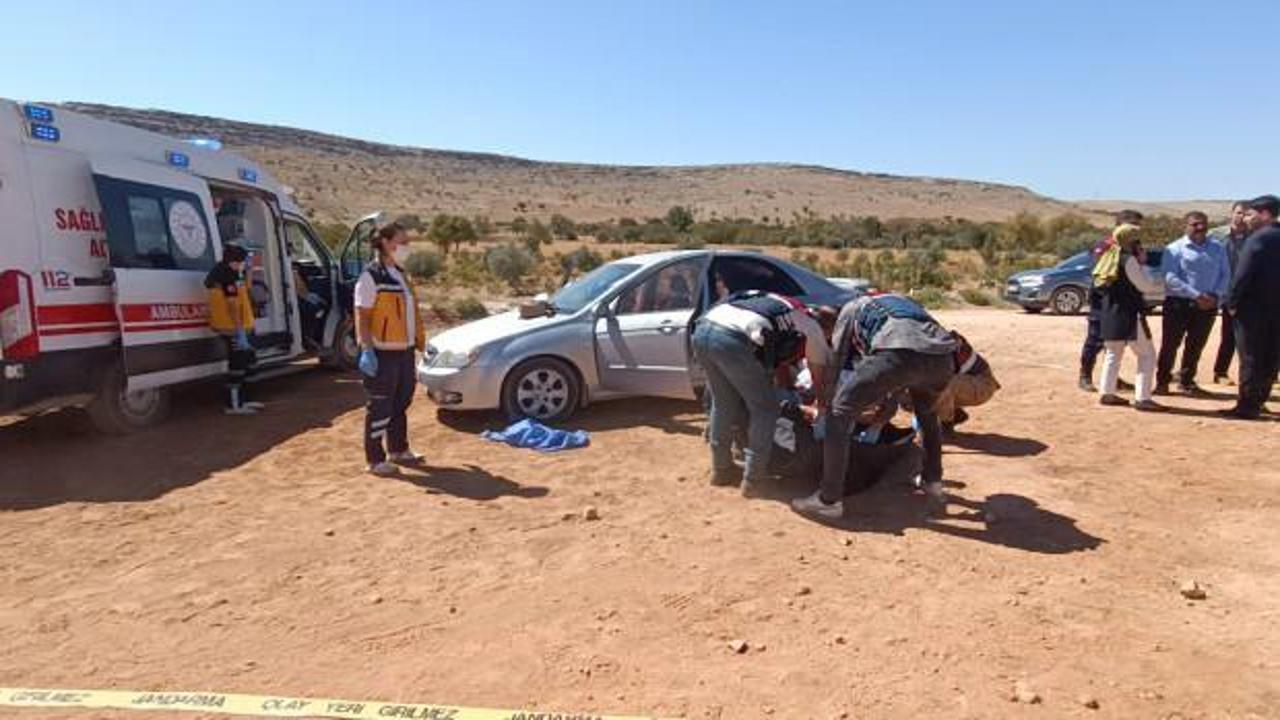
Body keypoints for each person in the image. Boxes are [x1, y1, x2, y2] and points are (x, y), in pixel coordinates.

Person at [793, 294, 957, 520]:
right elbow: (905, 366)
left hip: (898, 351)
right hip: (943, 358)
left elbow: (838, 360)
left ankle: (828, 500)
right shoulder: (899, 303)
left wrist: (825, 405)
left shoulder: (851, 311)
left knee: (839, 412)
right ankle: (933, 482)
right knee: (928, 415)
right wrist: (886, 408)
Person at [692, 290, 832, 494]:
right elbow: (820, 377)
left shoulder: (781, 306)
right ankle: (754, 479)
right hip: (732, 339)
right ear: (828, 328)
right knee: (765, 410)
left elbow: (774, 358)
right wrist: (822, 406)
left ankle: (721, 469)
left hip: (703, 329)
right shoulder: (812, 328)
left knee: (723, 403)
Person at [354, 223, 428, 475]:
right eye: (402, 241)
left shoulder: (400, 273)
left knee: (401, 401)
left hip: (404, 350)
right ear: (386, 242)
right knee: (380, 405)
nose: (406, 246)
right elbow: (362, 316)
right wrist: (366, 348)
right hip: (382, 352)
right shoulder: (371, 276)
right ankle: (375, 459)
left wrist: (418, 342)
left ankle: (398, 449)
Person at [1155, 211, 1231, 395]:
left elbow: (1226, 274)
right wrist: (1196, 295)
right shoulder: (1174, 249)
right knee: (1170, 345)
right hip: (1178, 304)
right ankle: (1162, 382)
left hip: (1208, 305)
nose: (1200, 227)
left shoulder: (1218, 248)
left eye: (1203, 223)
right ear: (1186, 226)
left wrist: (1216, 295)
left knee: (1196, 345)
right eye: (1195, 224)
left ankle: (1187, 381)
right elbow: (1170, 277)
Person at [1220, 195, 1280, 420]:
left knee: (1251, 356)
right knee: (1270, 356)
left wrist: (1232, 302)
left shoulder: (1257, 239)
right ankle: (1259, 401)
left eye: (1251, 214)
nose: (1246, 218)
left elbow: (1242, 274)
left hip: (1252, 309)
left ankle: (1247, 406)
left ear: (1264, 214)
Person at [1095, 224, 1165, 411]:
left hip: (1110, 313)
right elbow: (1145, 286)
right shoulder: (1129, 261)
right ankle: (1143, 397)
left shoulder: (1109, 257)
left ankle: (1107, 392)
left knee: (1113, 353)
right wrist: (1143, 265)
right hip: (1128, 314)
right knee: (1147, 355)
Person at [1080, 210, 1144, 392]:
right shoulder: (1106, 245)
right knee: (1095, 338)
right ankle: (1085, 375)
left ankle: (1112, 379)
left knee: (1116, 341)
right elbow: (1101, 268)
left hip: (1126, 300)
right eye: (1133, 224)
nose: (1137, 229)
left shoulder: (1135, 246)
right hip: (1104, 298)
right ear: (1120, 225)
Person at [204, 244, 263, 415]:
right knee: (237, 365)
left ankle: (246, 399)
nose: (243, 265)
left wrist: (250, 270)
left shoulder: (233, 272)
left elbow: (247, 288)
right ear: (233, 261)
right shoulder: (225, 276)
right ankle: (233, 404)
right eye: (243, 261)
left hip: (242, 324)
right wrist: (240, 332)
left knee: (249, 362)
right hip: (231, 327)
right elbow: (232, 306)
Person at [1212, 201, 1252, 384]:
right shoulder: (1216, 235)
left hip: (1249, 292)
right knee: (1228, 335)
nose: (1242, 217)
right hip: (1224, 291)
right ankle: (1220, 372)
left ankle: (1259, 374)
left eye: (1246, 214)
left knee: (1254, 336)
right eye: (1239, 213)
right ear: (1232, 213)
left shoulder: (1255, 236)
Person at [934, 330, 999, 431]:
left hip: (983, 385)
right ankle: (955, 414)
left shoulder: (944, 340)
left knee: (940, 381)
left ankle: (946, 424)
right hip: (968, 382)